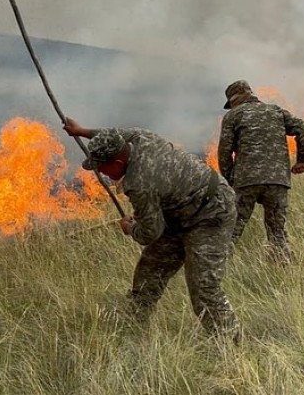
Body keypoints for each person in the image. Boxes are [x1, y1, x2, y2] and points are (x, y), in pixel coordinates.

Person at [63, 118, 239, 338]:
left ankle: (231, 346)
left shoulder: (140, 183)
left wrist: (130, 228)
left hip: (211, 213)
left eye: (102, 167)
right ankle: (133, 327)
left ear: (118, 164)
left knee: (204, 287)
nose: (102, 173)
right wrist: (81, 131)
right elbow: (115, 132)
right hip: (178, 212)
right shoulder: (141, 137)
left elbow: (150, 232)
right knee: (151, 269)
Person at [218, 80, 304, 264]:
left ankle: (216, 270)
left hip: (246, 180)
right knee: (277, 231)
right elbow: (302, 127)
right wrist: (302, 159)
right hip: (277, 180)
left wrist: (230, 179)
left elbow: (224, 152)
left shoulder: (233, 116)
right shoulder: (276, 111)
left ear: (234, 100)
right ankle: (282, 270)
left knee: (232, 230)